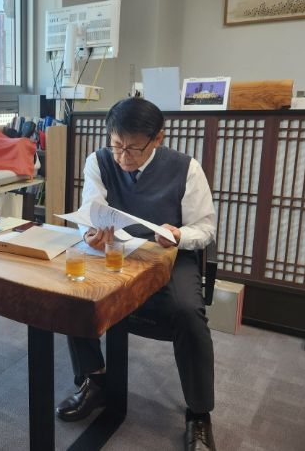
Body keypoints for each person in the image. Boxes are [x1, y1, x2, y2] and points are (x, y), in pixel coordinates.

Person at [55, 97, 217, 451]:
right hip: (115, 249)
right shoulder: (99, 161)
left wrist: (178, 234)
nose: (123, 157)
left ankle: (199, 412)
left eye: (133, 149)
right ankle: (95, 381)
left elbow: (205, 229)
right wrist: (90, 232)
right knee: (76, 290)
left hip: (168, 254)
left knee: (188, 312)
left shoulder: (186, 169)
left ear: (158, 138)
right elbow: (91, 209)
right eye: (117, 145)